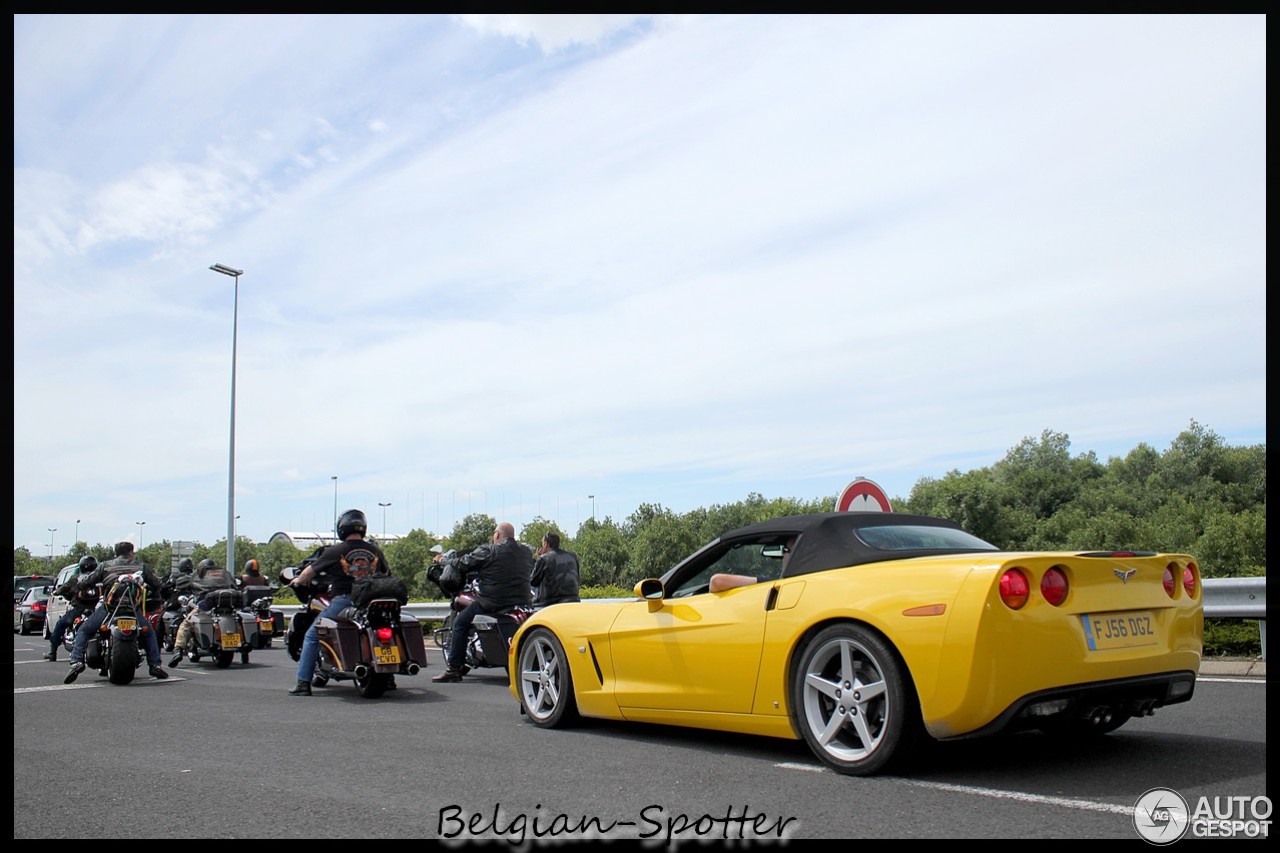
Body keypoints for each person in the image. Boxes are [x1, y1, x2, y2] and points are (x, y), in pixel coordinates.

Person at [286, 509, 392, 696]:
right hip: (371, 600)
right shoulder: (374, 550)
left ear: (342, 528)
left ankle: (303, 683)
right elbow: (386, 574)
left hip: (345, 599)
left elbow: (310, 571)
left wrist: (297, 581)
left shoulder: (336, 551)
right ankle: (389, 678)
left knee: (312, 635)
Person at [432, 521, 532, 683]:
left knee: (459, 623)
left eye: (494, 533)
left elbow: (463, 563)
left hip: (493, 602)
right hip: (522, 601)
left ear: (497, 534)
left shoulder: (489, 550)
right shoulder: (525, 552)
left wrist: (443, 561)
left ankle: (453, 670)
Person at [64, 541, 168, 683]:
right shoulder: (141, 566)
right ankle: (155, 665)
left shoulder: (105, 565)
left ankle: (76, 661)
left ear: (116, 553)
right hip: (132, 610)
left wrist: (81, 587)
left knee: (84, 630)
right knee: (149, 632)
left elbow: (87, 581)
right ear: (131, 553)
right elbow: (156, 584)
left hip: (109, 608)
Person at [167, 559, 235, 666]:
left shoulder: (198, 575)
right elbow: (235, 585)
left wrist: (178, 583)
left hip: (207, 604)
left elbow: (183, 583)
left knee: (186, 624)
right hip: (228, 604)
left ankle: (178, 650)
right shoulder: (224, 575)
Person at [43, 555, 99, 661]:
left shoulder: (76, 578)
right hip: (96, 609)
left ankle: (52, 652)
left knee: (60, 624)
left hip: (79, 609)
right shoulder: (98, 578)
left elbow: (62, 589)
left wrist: (55, 591)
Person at [708, 536, 798, 593]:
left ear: (795, 554)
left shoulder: (774, 585)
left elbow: (717, 581)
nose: (782, 556)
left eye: (785, 550)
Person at [531, 531, 580, 607]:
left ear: (545, 544)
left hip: (551, 603)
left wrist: (538, 559)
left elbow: (533, 582)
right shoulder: (573, 556)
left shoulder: (543, 559)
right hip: (574, 599)